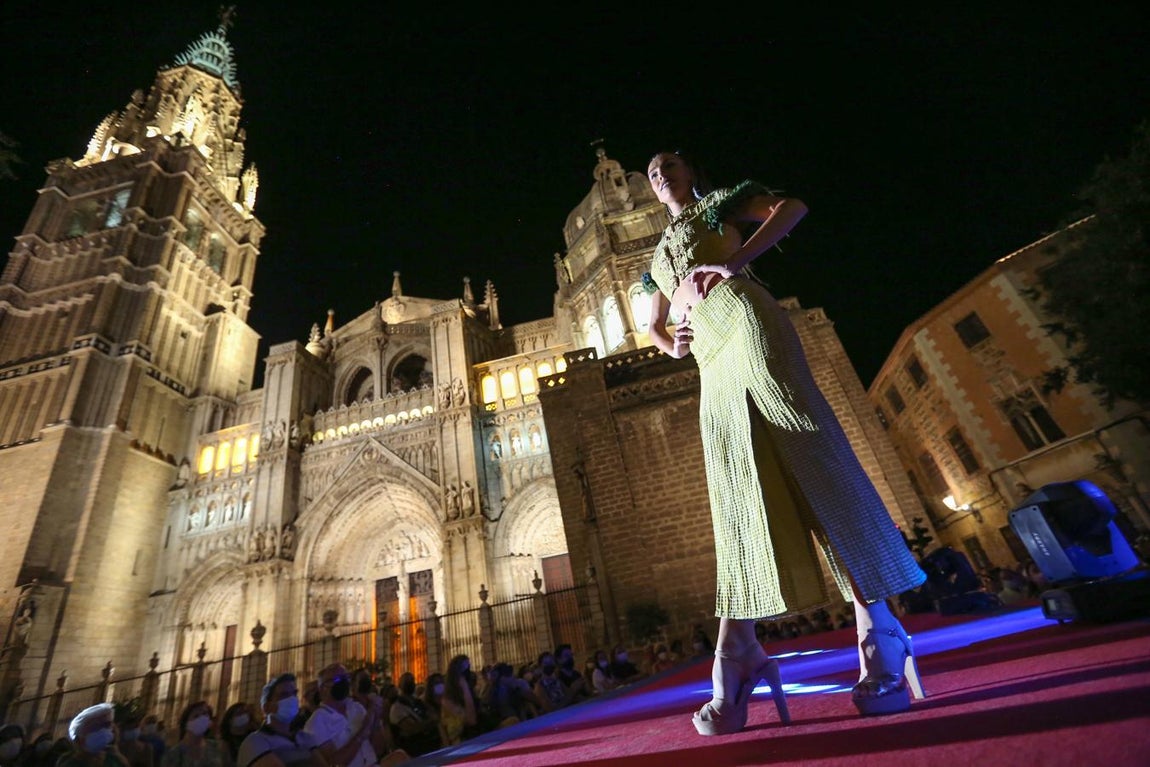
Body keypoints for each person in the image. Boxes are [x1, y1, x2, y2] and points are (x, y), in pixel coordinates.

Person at [643, 150, 927, 734]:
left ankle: (878, 620)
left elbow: (791, 207)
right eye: (652, 172)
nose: (659, 174)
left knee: (807, 450)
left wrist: (734, 262)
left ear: (692, 172)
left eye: (669, 164)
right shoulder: (654, 258)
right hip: (708, 356)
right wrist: (670, 341)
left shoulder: (720, 205)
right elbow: (653, 321)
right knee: (734, 483)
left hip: (747, 319)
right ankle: (740, 643)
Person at [236, 672, 320, 767]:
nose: (291, 699)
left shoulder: (304, 737)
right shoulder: (255, 741)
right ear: (266, 707)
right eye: (284, 695)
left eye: (294, 694)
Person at [302, 664, 378, 767]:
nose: (343, 682)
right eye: (337, 679)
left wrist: (375, 716)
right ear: (322, 688)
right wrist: (363, 731)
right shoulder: (316, 722)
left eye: (346, 678)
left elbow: (378, 748)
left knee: (400, 756)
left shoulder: (356, 708)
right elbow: (335, 763)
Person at [161, 702, 229, 767]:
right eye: (196, 716)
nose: (201, 719)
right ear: (186, 723)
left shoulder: (217, 747)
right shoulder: (173, 754)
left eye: (205, 714)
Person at [59, 703, 128, 767]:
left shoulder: (114, 760)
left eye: (106, 726)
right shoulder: (70, 764)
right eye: (96, 727)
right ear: (79, 737)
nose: (103, 731)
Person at [438, 655, 477, 747]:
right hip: (462, 741)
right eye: (465, 670)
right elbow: (471, 720)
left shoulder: (470, 690)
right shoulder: (447, 700)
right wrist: (465, 688)